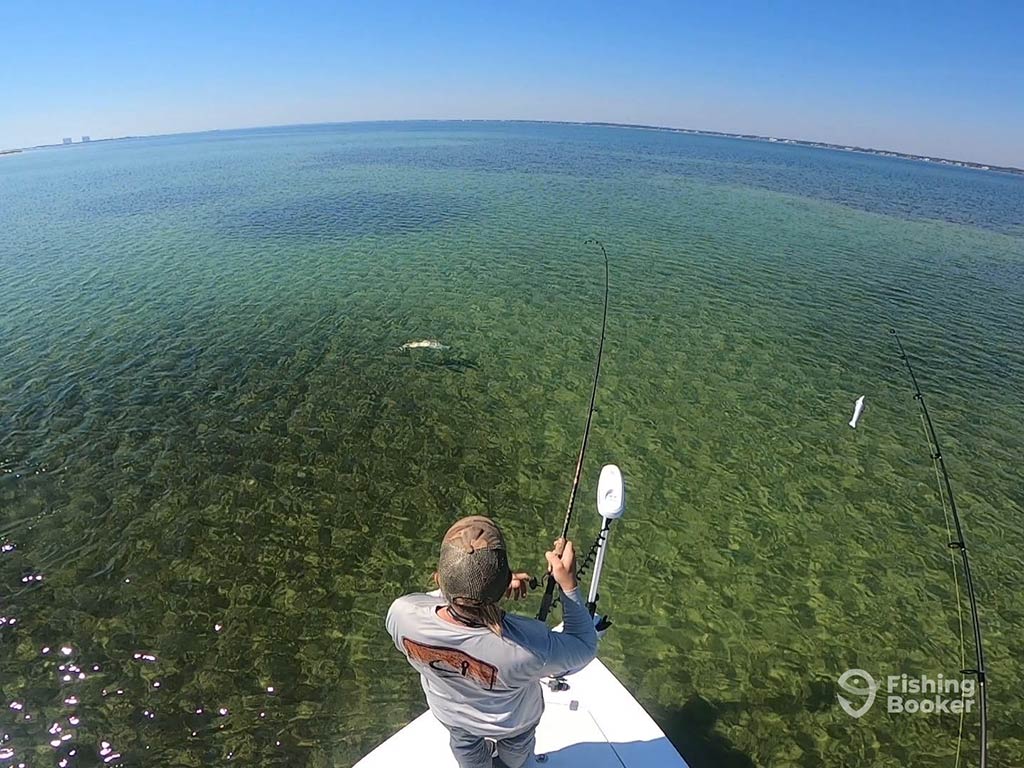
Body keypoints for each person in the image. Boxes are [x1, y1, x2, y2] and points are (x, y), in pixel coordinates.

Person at [386, 515, 598, 768]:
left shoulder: (401, 614)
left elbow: (446, 599)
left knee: (466, 750)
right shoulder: (528, 647)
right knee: (515, 755)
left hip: (451, 716)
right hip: (513, 724)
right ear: (505, 585)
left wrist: (487, 589)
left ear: (438, 579)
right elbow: (585, 645)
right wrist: (568, 585)